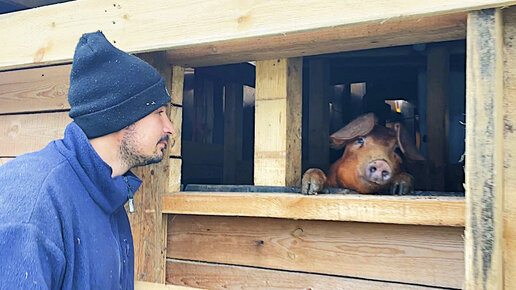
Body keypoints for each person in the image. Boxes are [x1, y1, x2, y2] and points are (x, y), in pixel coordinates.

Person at [0, 31, 175, 289]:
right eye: (159, 112)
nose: (170, 127)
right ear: (121, 116)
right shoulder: (34, 198)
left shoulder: (110, 189)